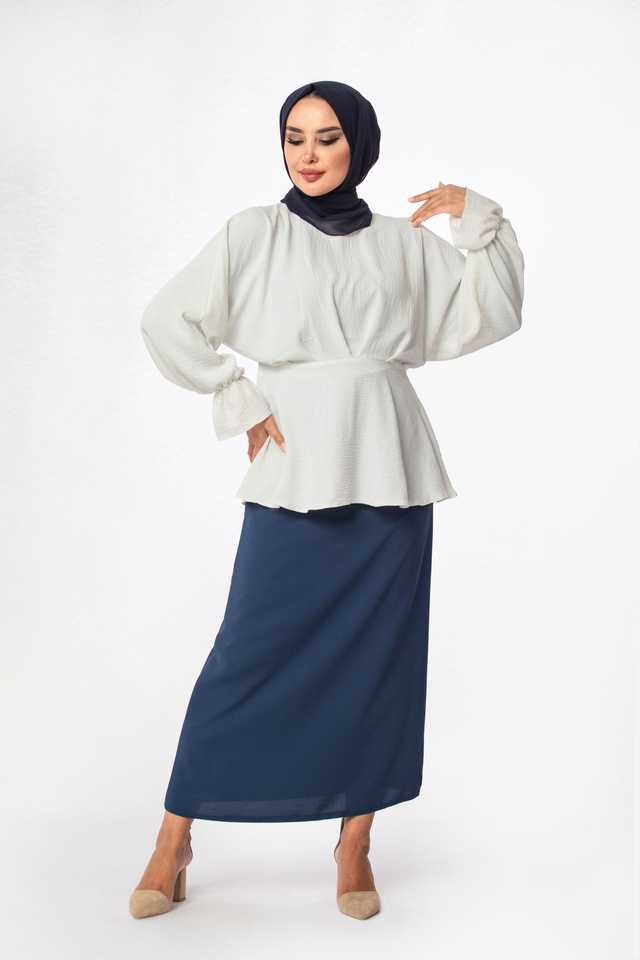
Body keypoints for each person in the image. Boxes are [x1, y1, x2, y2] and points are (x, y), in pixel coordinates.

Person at [130, 79, 525, 922]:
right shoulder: (255, 234)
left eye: (328, 137)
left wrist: (479, 219)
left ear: (360, 145)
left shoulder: (402, 243)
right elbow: (167, 319)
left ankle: (354, 844)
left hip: (390, 465)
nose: (308, 154)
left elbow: (489, 310)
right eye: (295, 137)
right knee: (245, 653)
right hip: (297, 464)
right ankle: (174, 836)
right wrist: (237, 396)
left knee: (378, 662)